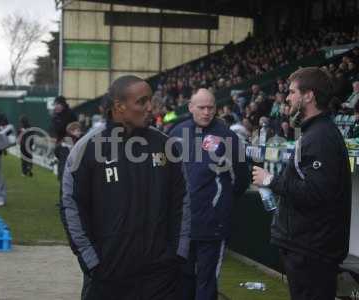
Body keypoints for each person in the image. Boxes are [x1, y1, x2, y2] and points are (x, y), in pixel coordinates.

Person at [60, 75, 190, 300]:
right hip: (107, 278)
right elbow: (71, 206)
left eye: (151, 100)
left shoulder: (167, 146)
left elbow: (183, 203)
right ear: (119, 107)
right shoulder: (87, 149)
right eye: (142, 101)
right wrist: (93, 262)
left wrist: (177, 255)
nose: (150, 107)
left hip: (160, 277)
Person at [252, 67, 351, 300]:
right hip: (305, 247)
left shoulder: (321, 137)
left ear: (309, 95)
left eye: (292, 92)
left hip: (312, 250)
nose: (287, 98)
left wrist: (271, 180)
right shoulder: (313, 132)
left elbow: (316, 193)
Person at [169, 88, 249, 300]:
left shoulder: (228, 137)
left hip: (213, 225)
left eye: (210, 107)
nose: (206, 112)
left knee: (207, 283)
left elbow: (240, 179)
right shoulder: (176, 134)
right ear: (190, 107)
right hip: (182, 227)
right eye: (201, 107)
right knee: (182, 282)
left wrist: (219, 206)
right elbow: (167, 177)